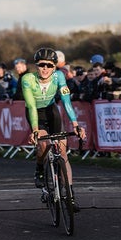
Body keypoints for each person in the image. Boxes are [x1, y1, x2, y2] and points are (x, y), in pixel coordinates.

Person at [21, 48, 86, 209]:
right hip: (35, 112)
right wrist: (35, 129)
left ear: (55, 67)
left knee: (62, 152)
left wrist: (76, 125)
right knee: (44, 144)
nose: (45, 68)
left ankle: (70, 195)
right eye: (41, 65)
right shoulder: (28, 79)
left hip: (52, 111)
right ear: (36, 66)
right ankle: (39, 169)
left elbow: (66, 101)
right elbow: (30, 105)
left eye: (49, 65)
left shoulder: (59, 77)